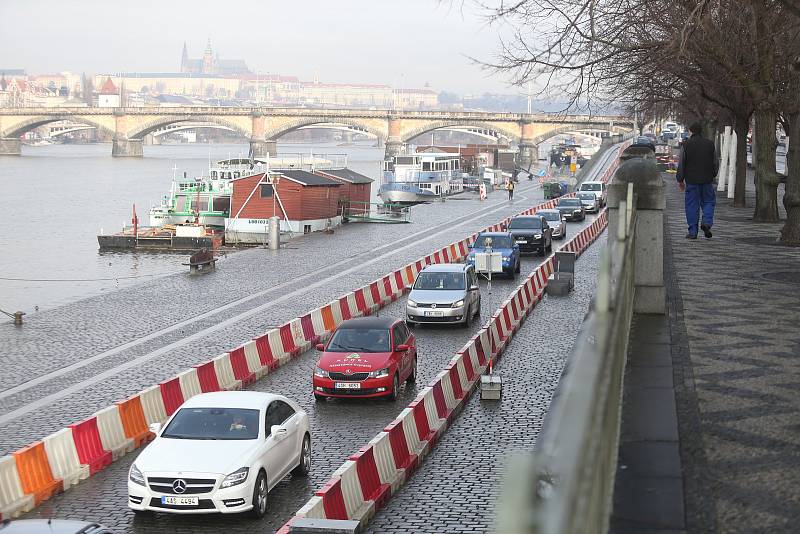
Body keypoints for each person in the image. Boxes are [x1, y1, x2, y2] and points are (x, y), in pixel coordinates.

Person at [676, 122, 718, 239]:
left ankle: (693, 232)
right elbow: (715, 162)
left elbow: (681, 164)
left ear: (690, 131)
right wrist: (713, 174)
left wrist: (680, 179)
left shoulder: (686, 145)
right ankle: (706, 223)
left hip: (692, 181)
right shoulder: (710, 144)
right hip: (707, 180)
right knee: (709, 202)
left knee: (691, 205)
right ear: (701, 131)